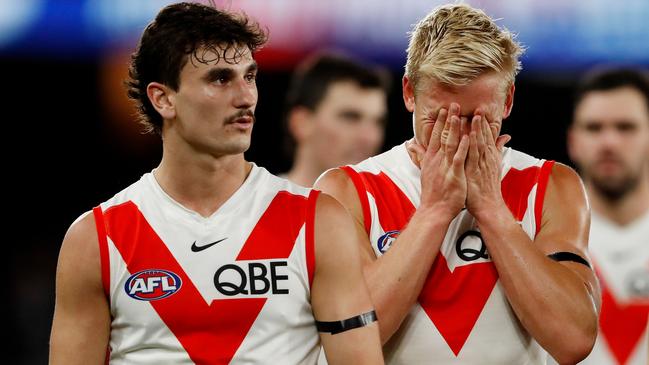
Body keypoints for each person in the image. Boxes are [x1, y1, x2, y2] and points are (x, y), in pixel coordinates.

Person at [49, 3, 383, 364]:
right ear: (162, 98)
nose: (246, 98)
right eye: (220, 78)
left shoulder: (319, 222)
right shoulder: (96, 239)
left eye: (250, 76)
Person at [315, 3, 600, 364]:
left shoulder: (551, 185)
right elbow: (349, 343)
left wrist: (492, 210)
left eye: (477, 120)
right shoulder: (347, 191)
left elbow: (574, 340)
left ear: (508, 100)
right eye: (440, 119)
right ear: (409, 93)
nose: (459, 136)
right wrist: (435, 210)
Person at [567, 68, 649, 365]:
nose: (609, 142)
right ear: (573, 141)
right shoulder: (538, 240)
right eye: (594, 128)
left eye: (625, 127)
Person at [283, 52, 389, 187]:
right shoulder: (256, 205)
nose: (369, 138)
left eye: (378, 122)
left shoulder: (405, 207)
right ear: (301, 123)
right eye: (350, 117)